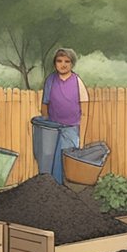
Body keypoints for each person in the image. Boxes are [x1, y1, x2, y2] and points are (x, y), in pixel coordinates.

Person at [39, 47, 89, 183]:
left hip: (72, 128)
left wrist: (82, 136)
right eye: (59, 61)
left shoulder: (77, 81)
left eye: (67, 61)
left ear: (72, 63)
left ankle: (66, 191)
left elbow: (84, 111)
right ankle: (53, 188)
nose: (63, 64)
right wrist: (47, 124)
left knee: (67, 159)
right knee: (51, 158)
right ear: (55, 63)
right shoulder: (50, 80)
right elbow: (45, 104)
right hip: (53, 129)